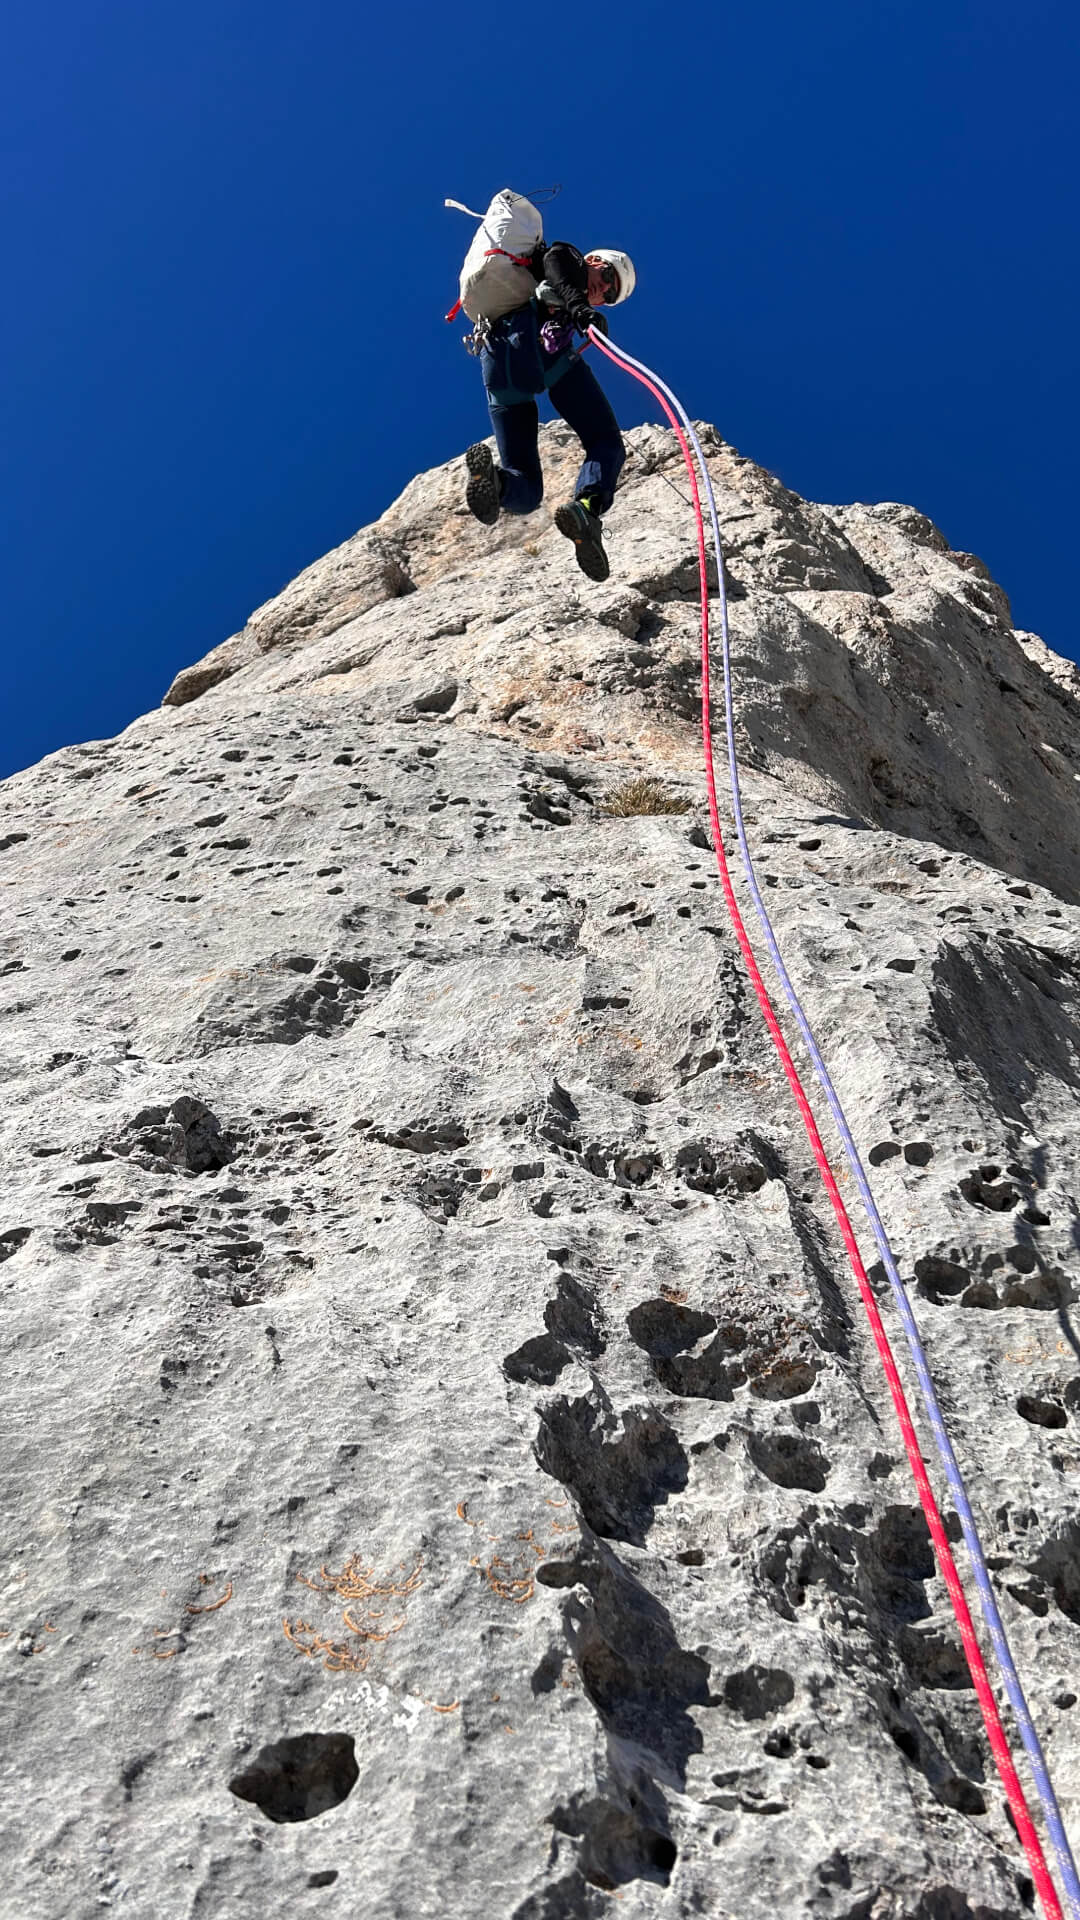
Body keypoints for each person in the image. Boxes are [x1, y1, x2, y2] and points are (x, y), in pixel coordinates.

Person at [464, 244, 636, 582]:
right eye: (606, 276)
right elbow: (555, 262)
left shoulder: (573, 295)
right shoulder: (565, 257)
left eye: (609, 294)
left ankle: (494, 483)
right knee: (606, 441)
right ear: (593, 260)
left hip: (500, 366)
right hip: (537, 349)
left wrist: (581, 311)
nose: (603, 288)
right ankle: (588, 508)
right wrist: (579, 308)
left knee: (527, 494)